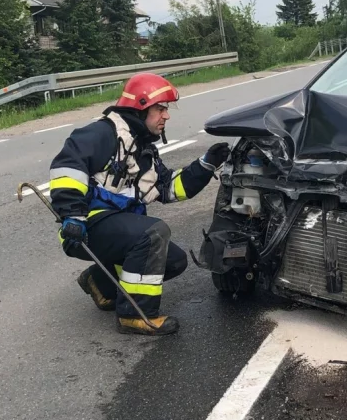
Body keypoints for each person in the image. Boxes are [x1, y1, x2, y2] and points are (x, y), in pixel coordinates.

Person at [49, 72, 231, 336]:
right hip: (84, 227)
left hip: (115, 228)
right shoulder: (102, 133)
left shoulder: (143, 150)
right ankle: (134, 315)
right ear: (141, 107)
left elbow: (169, 189)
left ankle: (99, 281)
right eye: (160, 109)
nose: (166, 116)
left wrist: (205, 165)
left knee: (173, 261)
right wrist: (74, 216)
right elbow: (66, 168)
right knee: (154, 233)